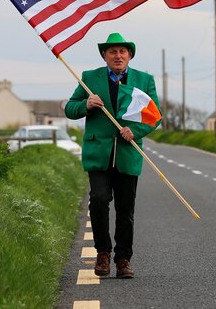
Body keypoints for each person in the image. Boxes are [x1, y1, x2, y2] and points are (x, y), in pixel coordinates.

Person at [65, 32, 161, 279]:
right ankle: (103, 254)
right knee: (98, 200)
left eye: (122, 52)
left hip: (128, 153)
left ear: (129, 55)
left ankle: (123, 259)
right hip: (98, 153)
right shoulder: (89, 79)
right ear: (104, 56)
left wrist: (135, 130)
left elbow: (154, 116)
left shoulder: (144, 80)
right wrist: (86, 105)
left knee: (125, 208)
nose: (118, 56)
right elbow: (70, 109)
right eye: (112, 52)